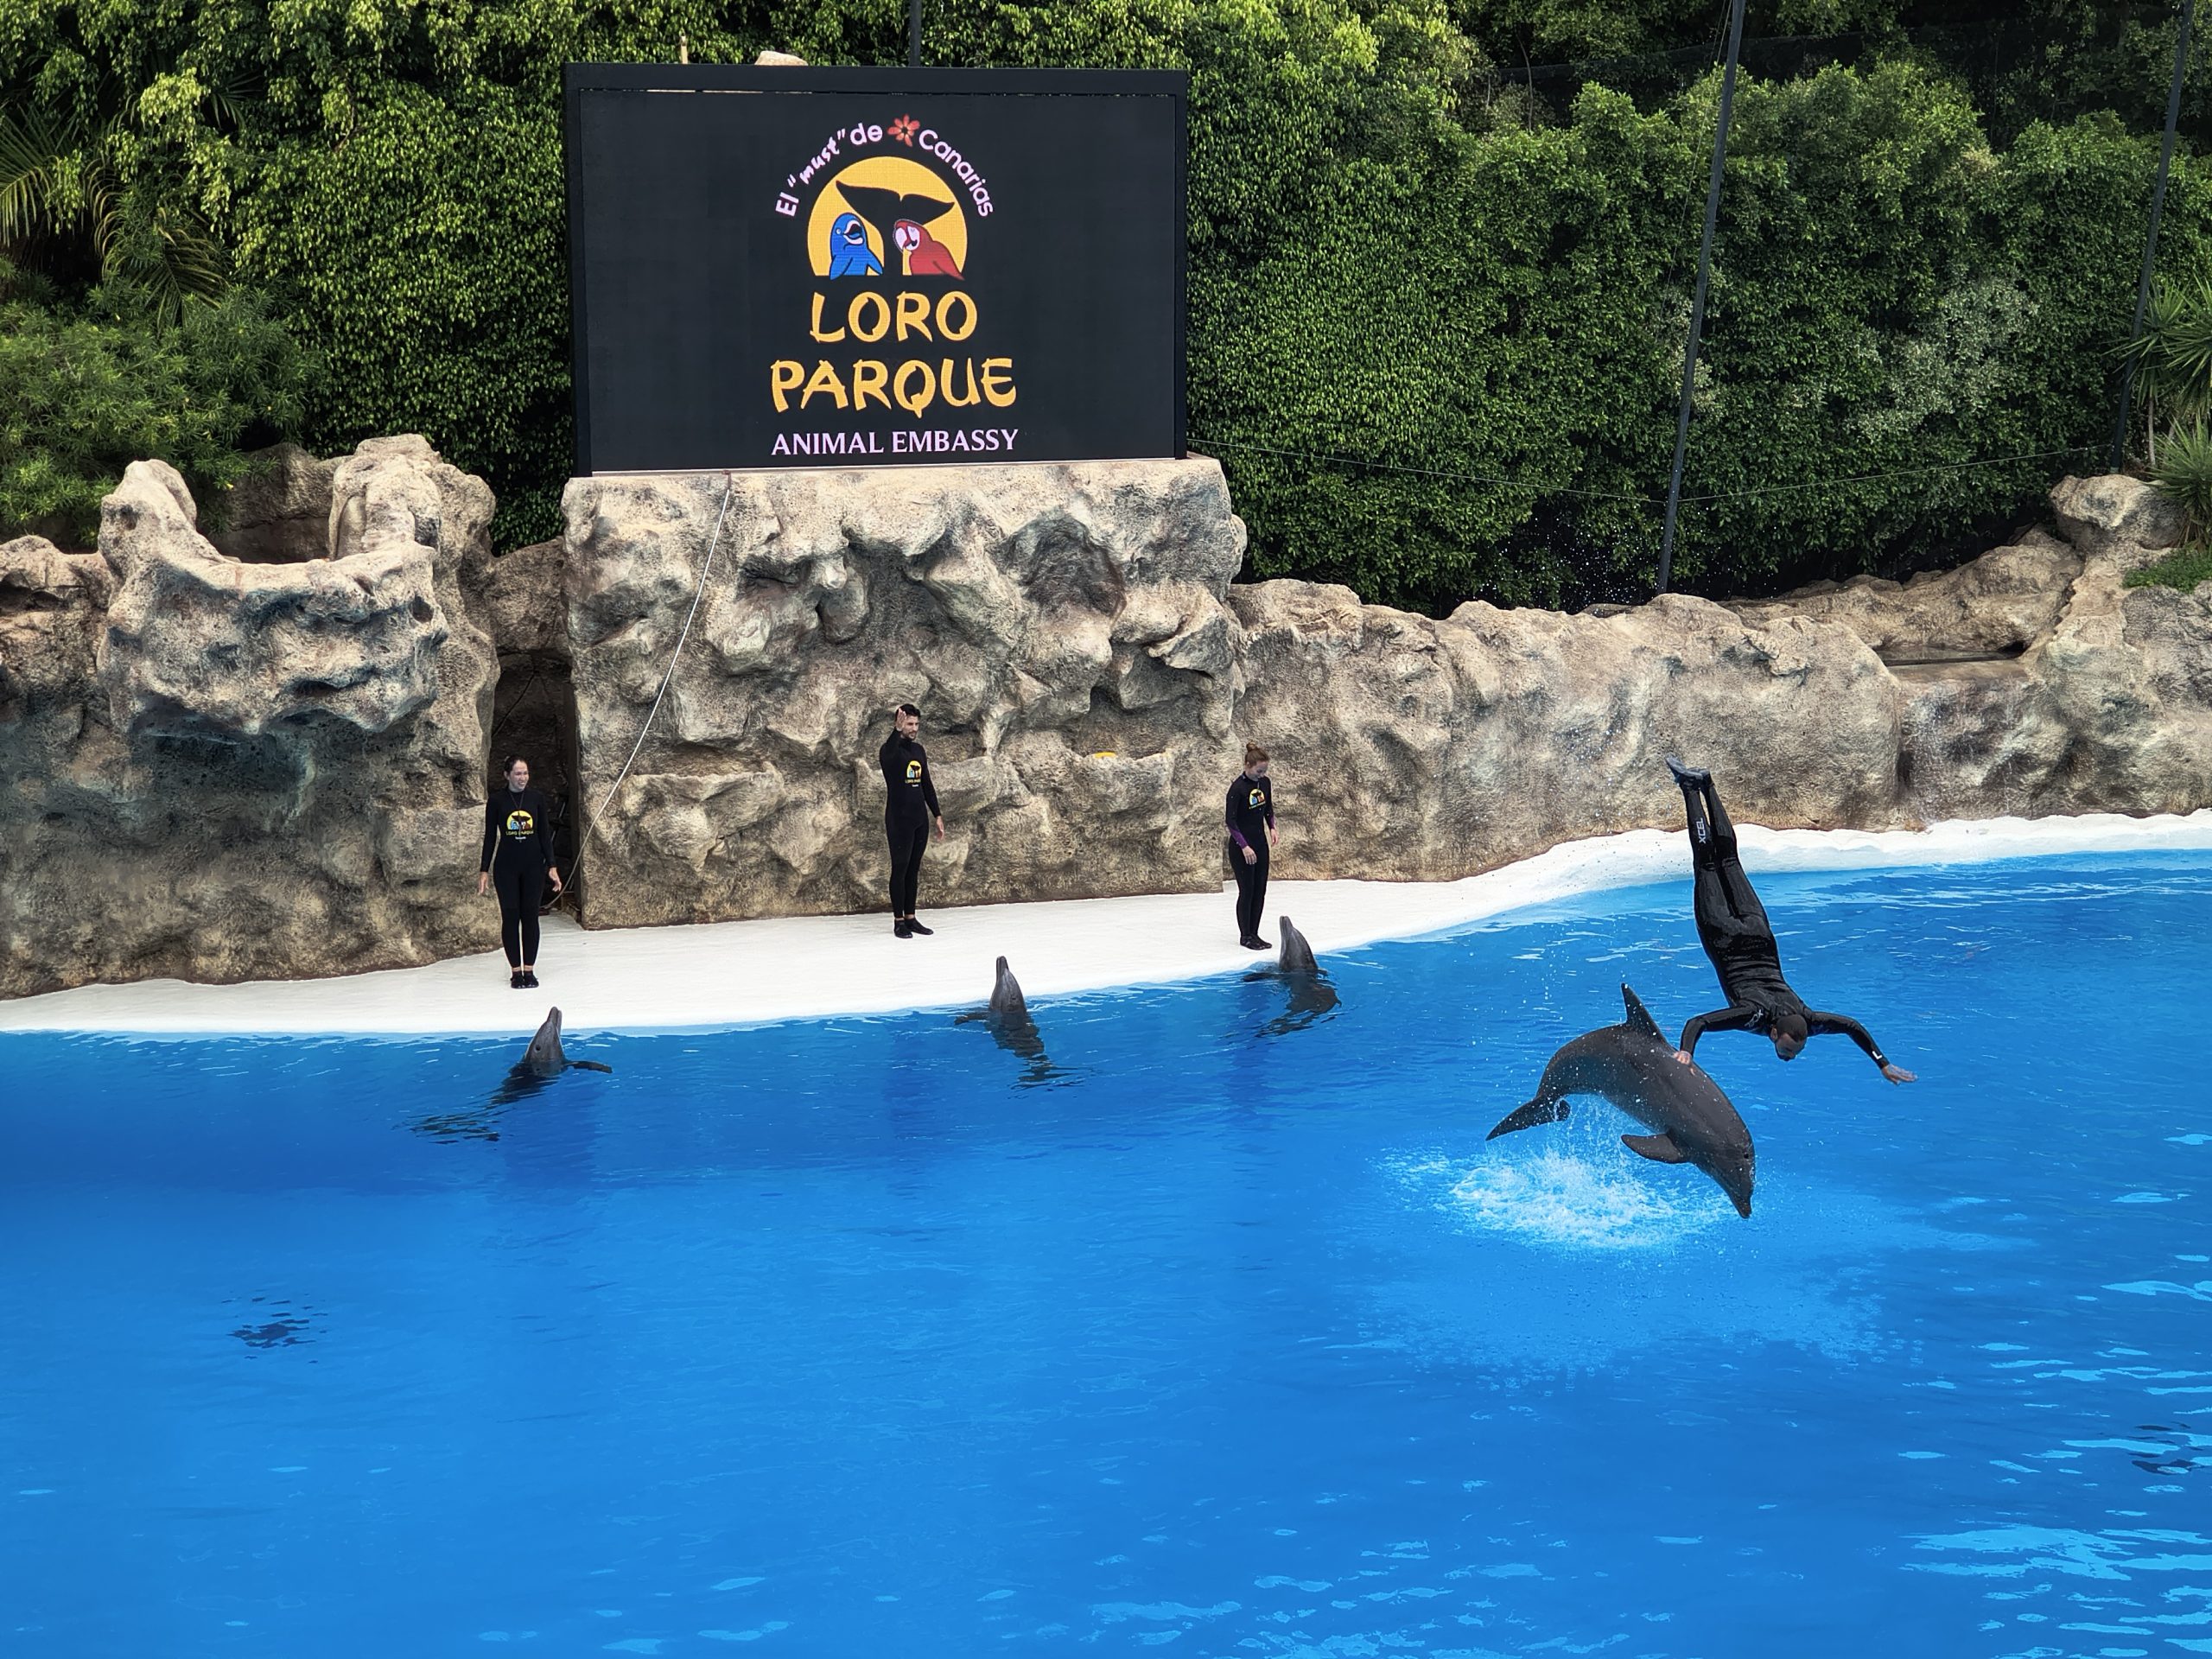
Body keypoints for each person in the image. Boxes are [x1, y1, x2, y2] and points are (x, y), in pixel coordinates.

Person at [1666, 758, 1915, 1084]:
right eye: (1788, 1050)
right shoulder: (1751, 1016)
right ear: (1772, 1033)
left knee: (1730, 861)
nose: (1789, 1056)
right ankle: (1690, 787)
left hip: (1758, 931)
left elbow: (1851, 1026)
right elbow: (1697, 1023)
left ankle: (1707, 783)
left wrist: (1882, 1063)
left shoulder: (1809, 1019)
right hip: (1723, 934)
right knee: (1708, 865)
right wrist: (1686, 1052)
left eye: (1793, 1052)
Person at [478, 755, 563, 988]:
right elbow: (489, 837)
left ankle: (530, 970)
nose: (522, 778)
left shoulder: (536, 799)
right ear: (507, 775)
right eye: (517, 773)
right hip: (506, 867)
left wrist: (552, 866)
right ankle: (516, 972)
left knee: (530, 916)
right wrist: (484, 870)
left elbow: (544, 834)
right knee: (511, 916)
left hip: (533, 866)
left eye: (525, 773)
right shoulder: (497, 801)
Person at [878, 703, 945, 938]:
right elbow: (888, 756)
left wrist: (937, 814)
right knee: (900, 868)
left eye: (916, 724)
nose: (914, 728)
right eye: (909, 724)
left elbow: (926, 784)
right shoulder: (890, 751)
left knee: (913, 870)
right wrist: (896, 732)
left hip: (919, 819)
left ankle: (911, 917)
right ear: (900, 724)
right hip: (899, 819)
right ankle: (898, 922)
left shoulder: (918, 750)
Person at [1225, 742, 1278, 950]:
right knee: (1247, 891)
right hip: (1242, 848)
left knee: (1260, 890)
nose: (1261, 775)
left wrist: (1272, 828)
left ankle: (1255, 933)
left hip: (1260, 843)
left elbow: (1268, 809)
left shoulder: (1264, 783)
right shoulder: (1237, 788)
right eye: (1258, 771)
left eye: (1264, 771)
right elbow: (1231, 821)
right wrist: (1244, 846)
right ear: (1248, 765)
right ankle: (1245, 936)